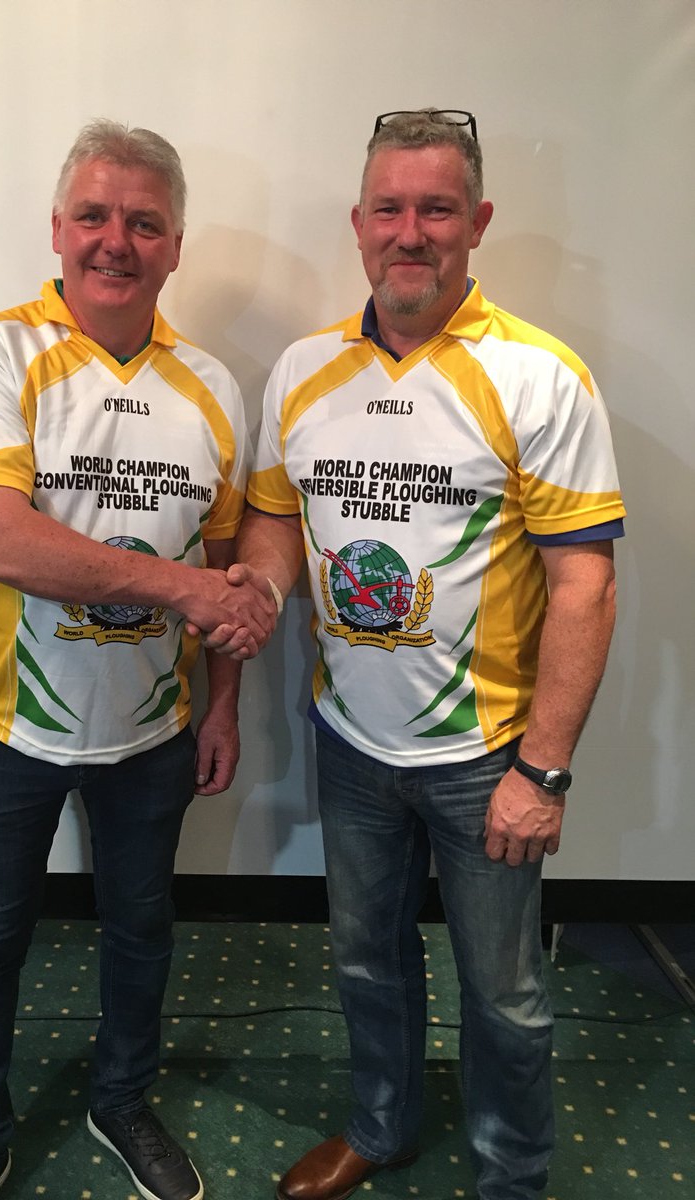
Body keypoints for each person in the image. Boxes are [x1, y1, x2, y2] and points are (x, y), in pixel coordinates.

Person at [215, 109, 626, 1200]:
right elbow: (271, 520)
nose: (411, 231)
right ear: (358, 224)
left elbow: (586, 583)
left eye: (435, 208)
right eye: (389, 208)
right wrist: (257, 587)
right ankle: (381, 1127)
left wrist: (542, 771)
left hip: (486, 754)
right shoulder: (304, 370)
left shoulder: (541, 376)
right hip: (348, 744)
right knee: (364, 959)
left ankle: (512, 1176)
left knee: (506, 993)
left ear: (476, 222)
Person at [0, 119, 276, 1200]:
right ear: (59, 228)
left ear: (175, 248)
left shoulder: (212, 383)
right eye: (94, 215)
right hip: (5, 726)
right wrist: (182, 592)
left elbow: (227, 567)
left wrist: (223, 711)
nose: (114, 240)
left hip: (155, 734)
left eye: (143, 222)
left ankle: (122, 1101)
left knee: (142, 930)